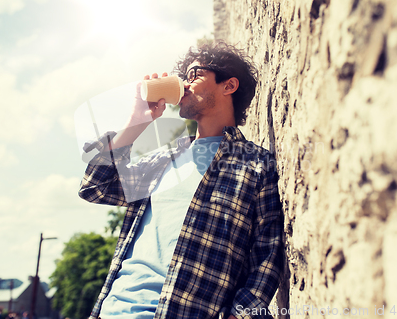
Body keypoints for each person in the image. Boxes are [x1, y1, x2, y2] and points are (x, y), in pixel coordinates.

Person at [79, 42, 284, 319]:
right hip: (114, 311)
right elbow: (95, 187)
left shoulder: (256, 164)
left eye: (194, 74)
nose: (185, 85)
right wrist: (136, 123)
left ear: (229, 85)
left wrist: (239, 314)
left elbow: (268, 254)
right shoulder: (162, 160)